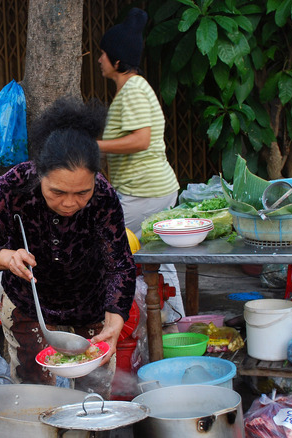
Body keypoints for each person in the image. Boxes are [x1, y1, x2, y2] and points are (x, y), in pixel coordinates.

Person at [0, 97, 136, 396]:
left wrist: (114, 319)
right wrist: (7, 257)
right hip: (29, 307)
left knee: (93, 396)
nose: (70, 203)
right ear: (39, 174)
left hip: (90, 306)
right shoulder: (14, 186)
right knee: (35, 395)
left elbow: (120, 266)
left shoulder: (104, 196)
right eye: (57, 192)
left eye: (82, 192)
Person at [96, 8, 184, 319]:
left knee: (109, 250)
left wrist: (94, 146)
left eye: (103, 54)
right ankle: (170, 323)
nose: (99, 60)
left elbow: (140, 140)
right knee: (156, 256)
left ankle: (120, 320)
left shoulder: (132, 90)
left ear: (117, 61)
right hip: (152, 189)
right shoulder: (134, 88)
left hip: (143, 193)